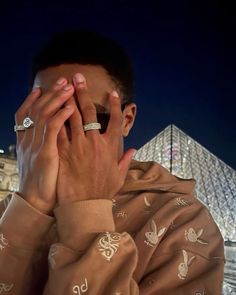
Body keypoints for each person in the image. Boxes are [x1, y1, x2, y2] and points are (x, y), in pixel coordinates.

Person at [0, 30, 224, 295]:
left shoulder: (182, 222)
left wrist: (86, 215)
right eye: (48, 117)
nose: (60, 135)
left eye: (86, 118)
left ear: (127, 119)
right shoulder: (9, 209)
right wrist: (31, 205)